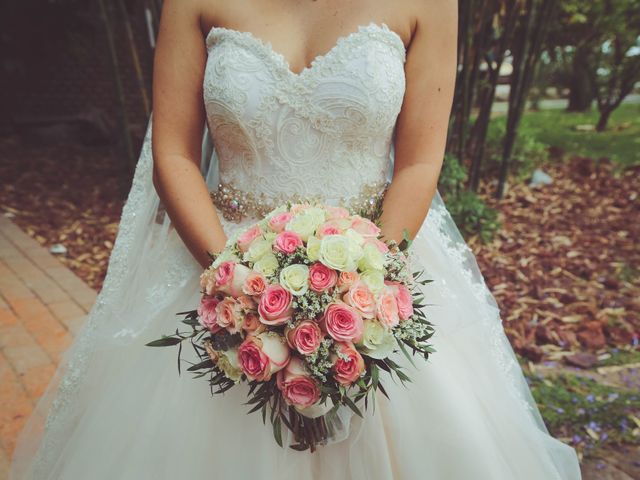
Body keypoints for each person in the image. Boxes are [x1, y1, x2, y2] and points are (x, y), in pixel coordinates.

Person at [10, 0, 582, 478]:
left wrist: (365, 282)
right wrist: (236, 285)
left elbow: (419, 163)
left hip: (374, 264)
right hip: (220, 262)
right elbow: (174, 154)